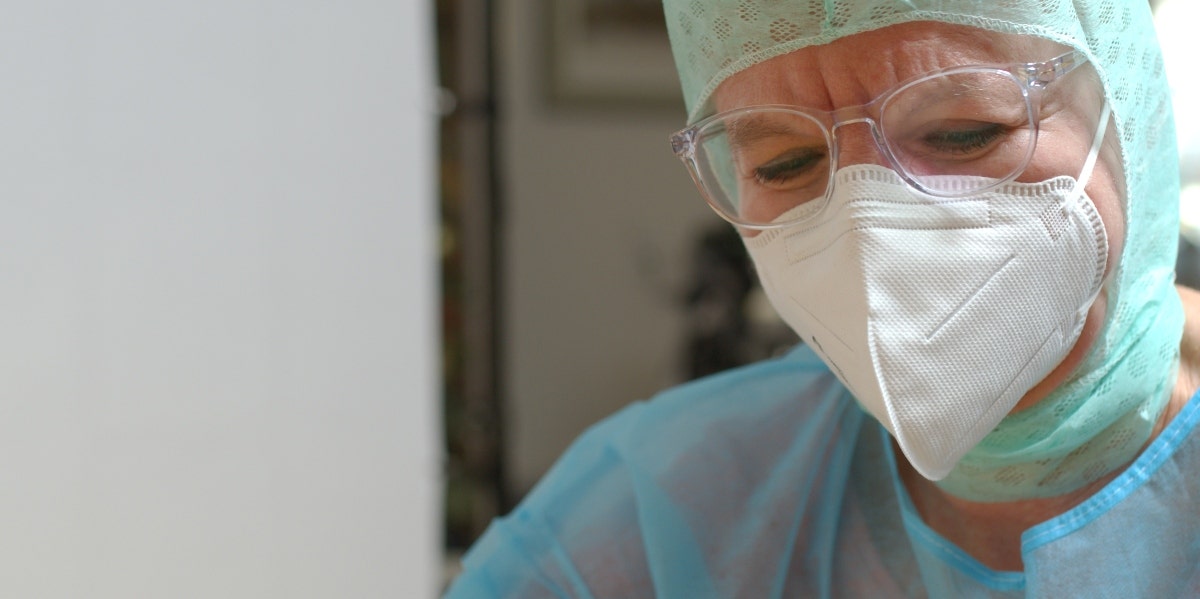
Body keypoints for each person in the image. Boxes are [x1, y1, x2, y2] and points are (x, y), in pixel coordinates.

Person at [446, 0, 1200, 596]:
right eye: (787, 162)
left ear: (1128, 109)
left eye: (965, 132)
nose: (869, 228)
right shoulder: (658, 514)